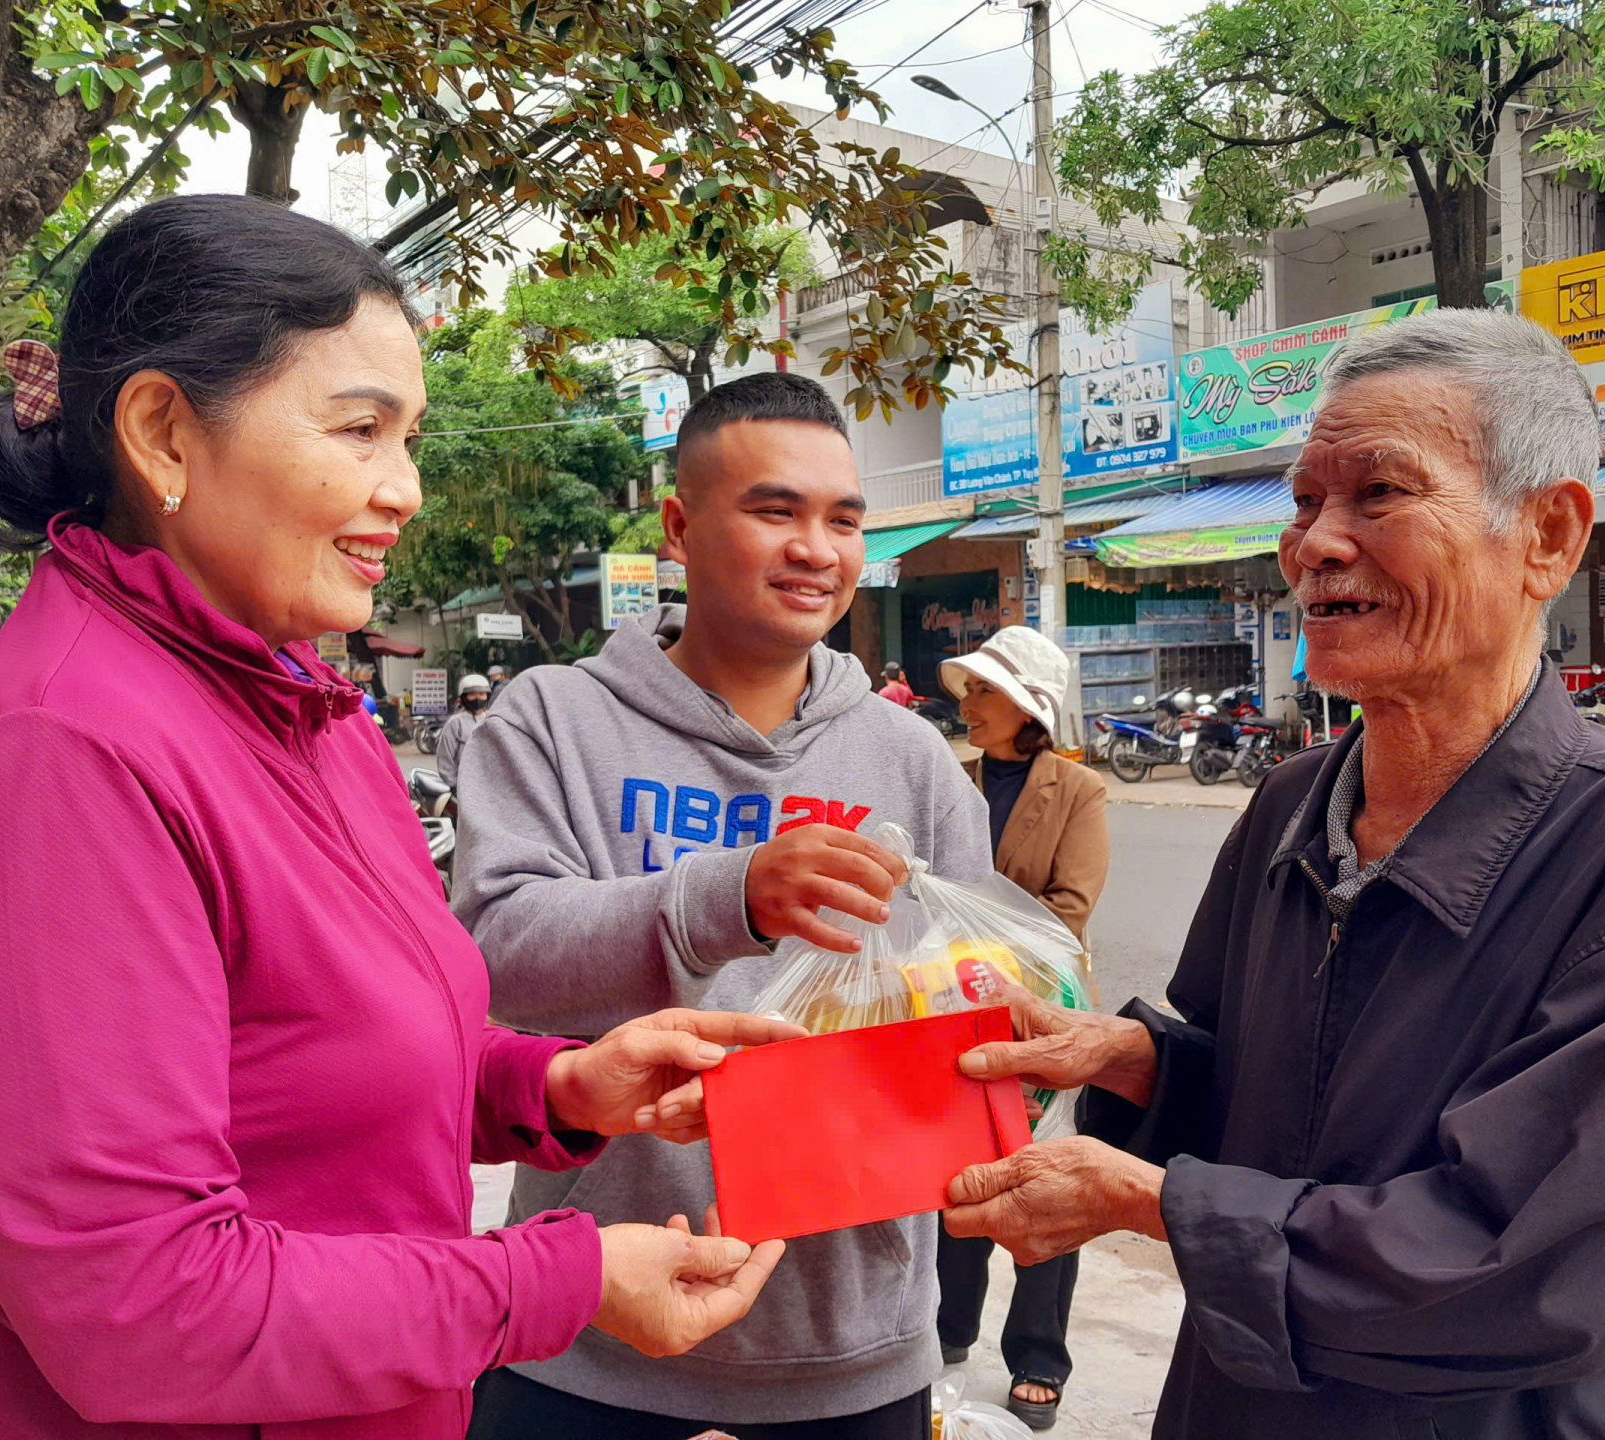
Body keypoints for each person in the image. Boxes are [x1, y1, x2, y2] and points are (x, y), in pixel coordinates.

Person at [0, 194, 790, 1440]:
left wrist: (566, 1083)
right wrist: (562, 1278)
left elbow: (322, 1057)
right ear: (162, 432)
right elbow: (140, 1309)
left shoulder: (307, 709)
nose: (405, 490)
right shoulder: (55, 755)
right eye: (361, 431)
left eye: (411, 439)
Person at [940, 309, 1605, 1438]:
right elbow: (1261, 1100)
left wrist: (1155, 1205)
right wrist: (1139, 1059)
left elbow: (1533, 1260)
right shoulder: (1293, 804)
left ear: (1547, 535)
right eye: (1304, 502)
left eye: (1379, 494)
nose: (1316, 544)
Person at [454, 371, 994, 1439]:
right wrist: (729, 893)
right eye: (774, 510)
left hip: (851, 1347)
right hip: (587, 1339)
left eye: (844, 520)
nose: (817, 550)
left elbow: (962, 1005)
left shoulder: (912, 756)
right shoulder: (553, 721)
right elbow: (494, 958)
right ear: (678, 525)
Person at [934, 626, 1109, 1430]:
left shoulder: (1076, 792)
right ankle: (947, 1331)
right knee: (955, 1170)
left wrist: (988, 953)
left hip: (1043, 1010)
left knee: (1041, 1176)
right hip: (946, 1006)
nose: (967, 705)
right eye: (967, 691)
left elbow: (1069, 910)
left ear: (1027, 709)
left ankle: (1038, 1355)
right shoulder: (950, 781)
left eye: (984, 693)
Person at [438, 673, 492, 788]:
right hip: (464, 786)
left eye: (481, 694)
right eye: (472, 694)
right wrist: (455, 786)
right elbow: (445, 759)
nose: (477, 698)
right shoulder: (455, 723)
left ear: (487, 696)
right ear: (463, 697)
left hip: (491, 788)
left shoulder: (493, 720)